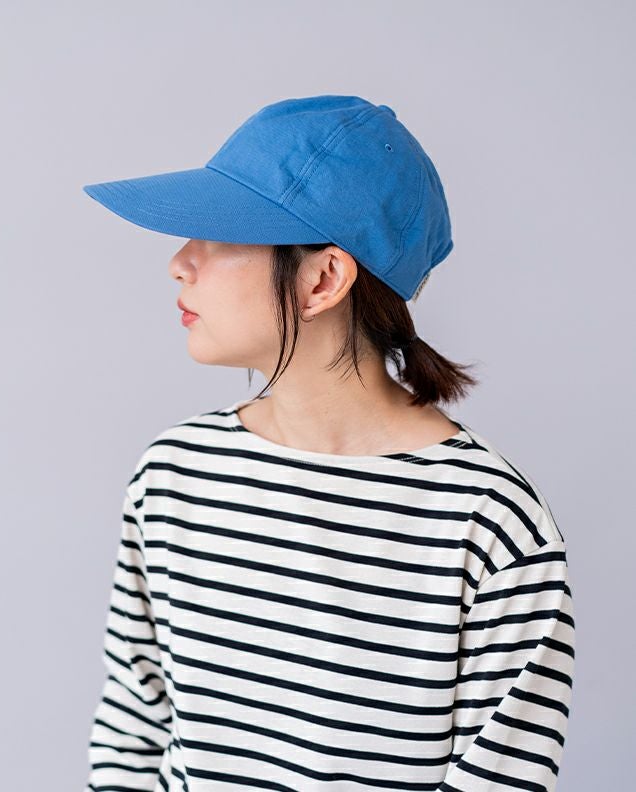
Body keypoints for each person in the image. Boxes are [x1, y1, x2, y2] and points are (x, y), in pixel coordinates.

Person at [81, 95, 575, 792]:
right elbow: (132, 731)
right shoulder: (175, 475)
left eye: (217, 235)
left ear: (323, 278)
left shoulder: (489, 522)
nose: (179, 263)